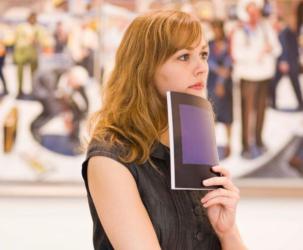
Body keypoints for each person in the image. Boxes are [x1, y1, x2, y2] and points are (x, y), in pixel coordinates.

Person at [82, 10, 246, 250]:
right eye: (183, 57)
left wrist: (227, 231)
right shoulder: (110, 158)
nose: (201, 67)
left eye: (203, 54)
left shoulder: (196, 144)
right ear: (145, 67)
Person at [231, 0, 281, 159]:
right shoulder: (239, 31)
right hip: (248, 77)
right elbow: (237, 55)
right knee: (246, 112)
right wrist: (259, 53)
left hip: (264, 75)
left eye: (256, 12)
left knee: (261, 111)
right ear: (246, 13)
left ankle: (258, 141)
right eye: (251, 13)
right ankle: (246, 146)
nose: (254, 16)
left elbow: (278, 48)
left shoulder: (266, 28)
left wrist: (270, 49)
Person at [30, 65, 89, 144]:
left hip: (58, 92)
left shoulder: (76, 80)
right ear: (71, 77)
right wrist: (66, 116)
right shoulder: (50, 78)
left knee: (76, 110)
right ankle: (34, 127)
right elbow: (52, 102)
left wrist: (84, 113)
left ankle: (74, 136)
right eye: (76, 84)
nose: (77, 87)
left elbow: (84, 98)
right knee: (52, 111)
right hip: (42, 90)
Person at [207, 20, 233, 158]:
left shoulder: (228, 44)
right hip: (211, 84)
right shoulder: (209, 44)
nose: (216, 32)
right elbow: (208, 60)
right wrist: (219, 71)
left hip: (226, 86)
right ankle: (212, 145)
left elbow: (229, 61)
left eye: (217, 29)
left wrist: (221, 82)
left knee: (228, 116)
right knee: (212, 115)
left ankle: (229, 145)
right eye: (214, 29)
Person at [269, 16, 303, 110]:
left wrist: (284, 61)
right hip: (288, 62)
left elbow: (286, 49)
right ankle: (273, 103)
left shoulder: (285, 33)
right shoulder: (285, 32)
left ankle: (300, 103)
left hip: (288, 63)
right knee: (274, 83)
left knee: (294, 84)